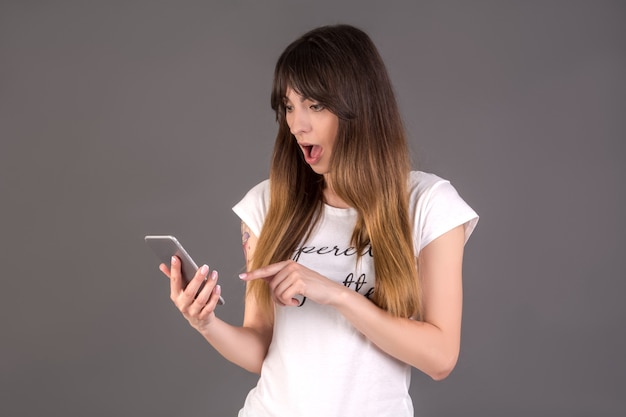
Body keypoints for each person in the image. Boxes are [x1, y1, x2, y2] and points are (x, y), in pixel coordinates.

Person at [159, 24, 478, 417]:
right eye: (289, 107)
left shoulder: (428, 204)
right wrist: (206, 324)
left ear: (360, 105)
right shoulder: (268, 203)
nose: (296, 125)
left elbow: (440, 357)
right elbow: (262, 347)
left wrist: (338, 295)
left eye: (314, 105)